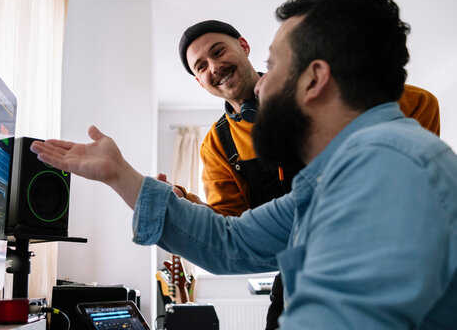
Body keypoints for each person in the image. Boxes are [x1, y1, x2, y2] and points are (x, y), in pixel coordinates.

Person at [30, 0, 457, 329]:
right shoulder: (331, 180)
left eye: (276, 65)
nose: (263, 87)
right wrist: (118, 174)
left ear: (314, 80)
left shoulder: (389, 171)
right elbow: (229, 240)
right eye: (201, 65)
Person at [170, 19, 440, 328]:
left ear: (243, 46)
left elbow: (422, 103)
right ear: (199, 81)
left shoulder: (313, 89)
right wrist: (185, 202)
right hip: (295, 277)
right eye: (201, 66)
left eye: (219, 52)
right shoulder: (217, 145)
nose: (214, 67)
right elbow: (231, 226)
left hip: (372, 263)